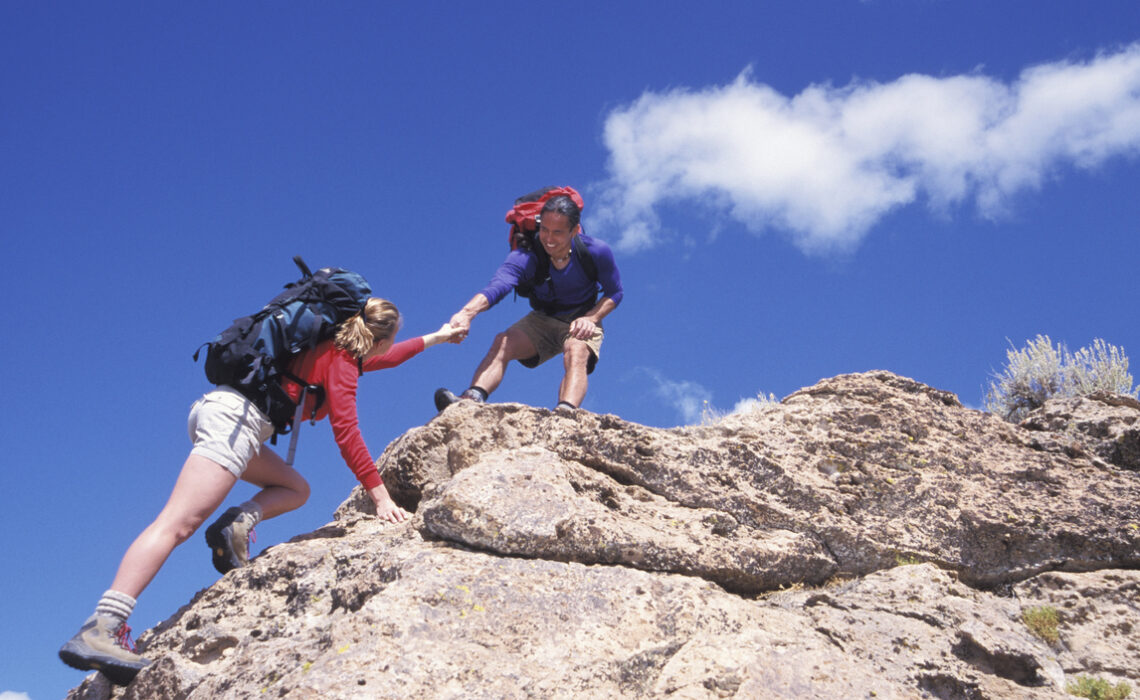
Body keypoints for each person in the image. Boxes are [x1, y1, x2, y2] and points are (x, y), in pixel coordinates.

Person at [59, 298, 462, 685]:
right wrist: (382, 498)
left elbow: (390, 357)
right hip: (236, 422)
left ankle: (235, 524)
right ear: (379, 338)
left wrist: (440, 337)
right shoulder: (341, 362)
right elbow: (347, 432)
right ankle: (103, 626)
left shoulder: (332, 350)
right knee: (176, 523)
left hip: (229, 417)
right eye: (390, 341)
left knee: (294, 488)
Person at [435, 193, 623, 412]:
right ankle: (470, 400)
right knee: (503, 341)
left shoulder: (596, 252)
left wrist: (591, 318)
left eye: (558, 232)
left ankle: (565, 415)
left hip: (582, 317)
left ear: (574, 231)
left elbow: (615, 292)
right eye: (544, 230)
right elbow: (498, 286)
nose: (549, 239)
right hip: (542, 318)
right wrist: (466, 314)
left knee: (576, 350)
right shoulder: (526, 256)